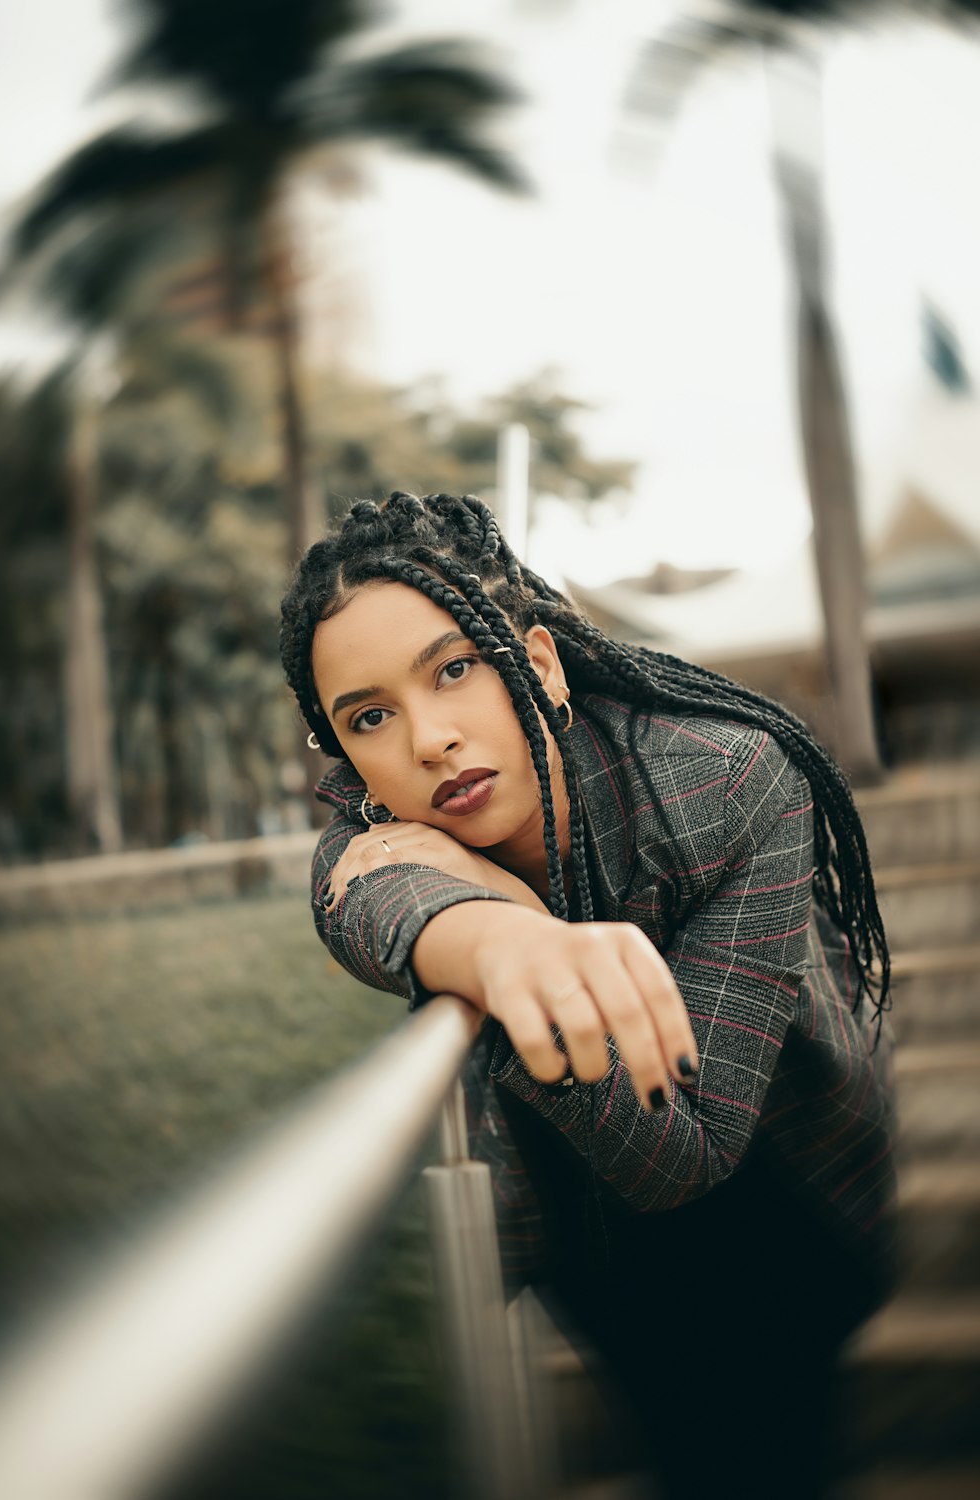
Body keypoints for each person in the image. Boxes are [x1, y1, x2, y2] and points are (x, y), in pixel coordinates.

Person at [279, 490, 898, 1499]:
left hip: (782, 1195)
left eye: (454, 669)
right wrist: (500, 936)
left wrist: (522, 962)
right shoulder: (380, 835)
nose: (428, 739)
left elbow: (687, 1153)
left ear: (541, 662)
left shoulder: (728, 781)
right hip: (588, 1237)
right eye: (371, 716)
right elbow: (356, 899)